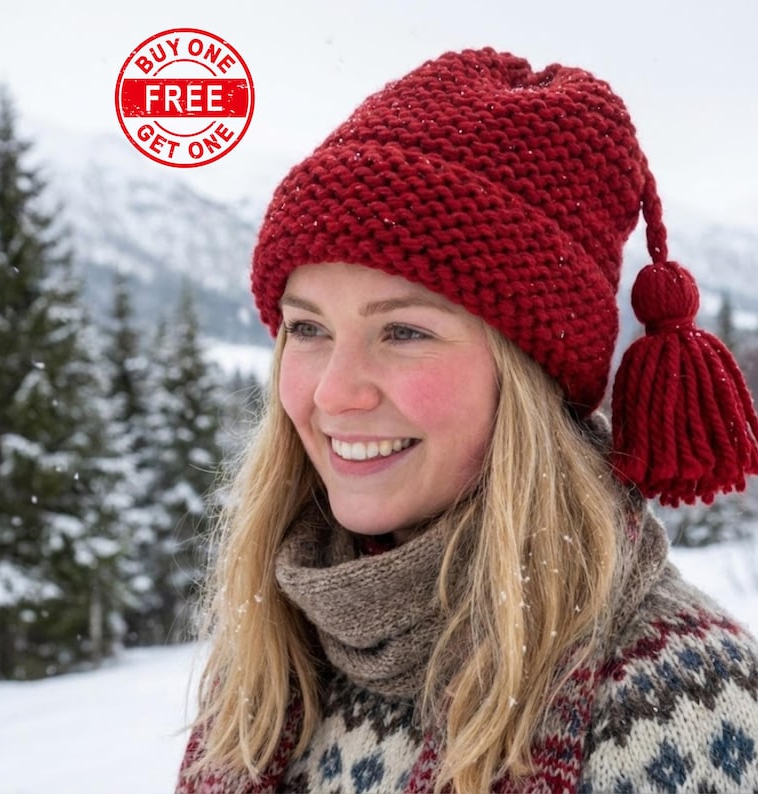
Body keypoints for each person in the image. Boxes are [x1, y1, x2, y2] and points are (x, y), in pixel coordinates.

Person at [176, 47, 758, 793]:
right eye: (308, 329)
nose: (333, 394)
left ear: (530, 379)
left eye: (404, 332)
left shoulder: (683, 703)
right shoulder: (270, 661)